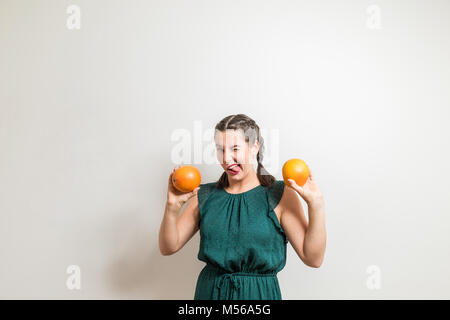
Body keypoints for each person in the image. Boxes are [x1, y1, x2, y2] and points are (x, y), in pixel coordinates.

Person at [159, 114, 326, 299]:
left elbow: (313, 258)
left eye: (235, 149)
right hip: (210, 294)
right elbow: (168, 247)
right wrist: (172, 206)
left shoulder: (280, 194)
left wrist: (315, 204)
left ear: (255, 147)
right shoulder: (203, 195)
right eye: (220, 149)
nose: (227, 158)